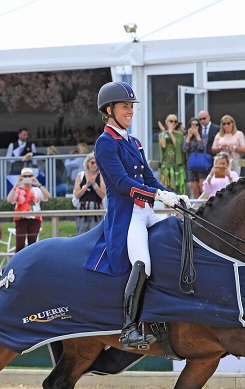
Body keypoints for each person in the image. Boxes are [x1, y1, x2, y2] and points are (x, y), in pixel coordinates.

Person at [84, 81, 187, 350]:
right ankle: (128, 328)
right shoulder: (106, 143)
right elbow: (121, 183)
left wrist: (172, 195)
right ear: (109, 110)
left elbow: (150, 179)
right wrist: (157, 196)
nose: (130, 111)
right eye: (124, 106)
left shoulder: (135, 141)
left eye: (131, 106)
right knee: (143, 263)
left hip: (147, 211)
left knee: (177, 240)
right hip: (128, 214)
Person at [6, 166, 50, 252]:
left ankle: (32, 263)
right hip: (21, 218)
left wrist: (38, 184)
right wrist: (16, 184)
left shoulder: (36, 190)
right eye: (25, 176)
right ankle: (18, 264)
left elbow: (47, 196)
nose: (27, 178)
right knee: (20, 244)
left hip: (35, 218)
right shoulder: (18, 190)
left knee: (33, 244)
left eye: (29, 176)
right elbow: (9, 199)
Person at [72, 152, 106, 235]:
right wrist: (86, 185)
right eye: (92, 163)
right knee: (81, 232)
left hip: (96, 208)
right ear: (87, 163)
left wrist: (94, 184)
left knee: (96, 234)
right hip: (82, 208)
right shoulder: (80, 175)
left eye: (97, 163)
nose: (94, 165)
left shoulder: (101, 176)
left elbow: (103, 195)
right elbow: (77, 194)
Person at [157, 114, 186, 193]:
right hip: (166, 164)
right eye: (171, 121)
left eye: (175, 121)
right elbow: (163, 145)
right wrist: (164, 132)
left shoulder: (179, 134)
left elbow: (178, 145)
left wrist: (171, 134)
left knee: (178, 188)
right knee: (166, 189)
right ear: (167, 122)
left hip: (177, 165)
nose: (173, 123)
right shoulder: (162, 134)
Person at [182, 117, 207, 199]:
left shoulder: (203, 136)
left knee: (202, 186)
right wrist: (188, 137)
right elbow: (185, 149)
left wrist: (197, 136)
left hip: (201, 164)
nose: (194, 127)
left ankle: (205, 207)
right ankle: (198, 208)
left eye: (196, 125)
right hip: (191, 165)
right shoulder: (186, 137)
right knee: (194, 188)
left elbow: (202, 147)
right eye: (192, 125)